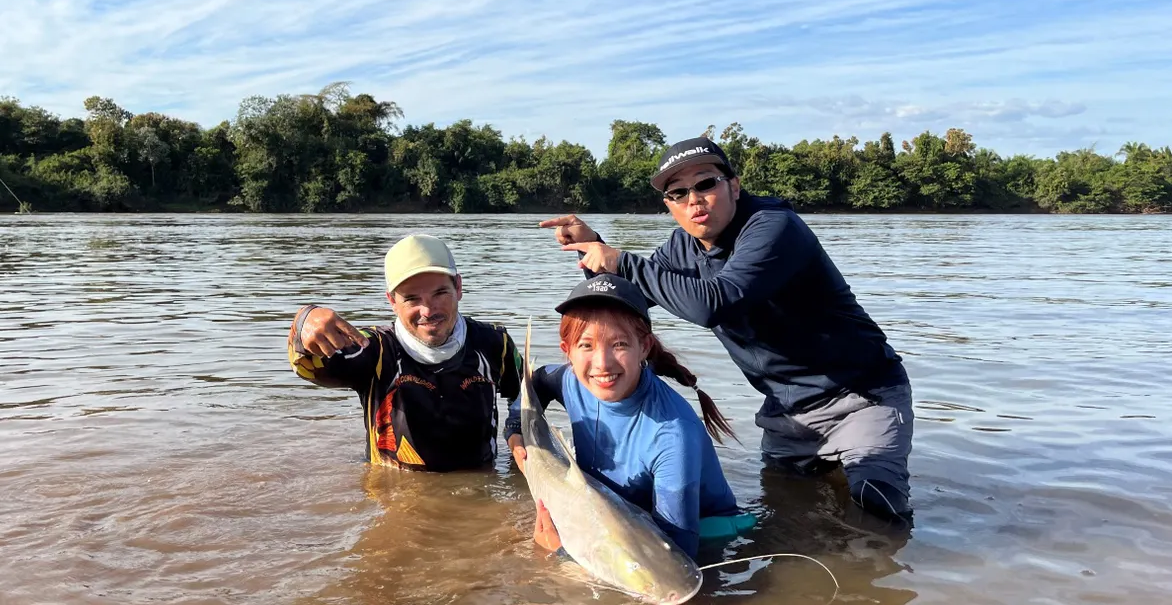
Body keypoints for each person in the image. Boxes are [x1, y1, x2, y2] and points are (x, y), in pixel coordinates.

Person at [540, 137, 915, 523]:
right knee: (787, 516)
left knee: (877, 508)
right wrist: (595, 249)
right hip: (786, 410)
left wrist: (621, 260)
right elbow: (634, 296)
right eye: (678, 193)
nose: (694, 200)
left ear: (734, 185)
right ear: (669, 206)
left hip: (862, 395)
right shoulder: (683, 247)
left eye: (706, 184)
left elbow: (713, 302)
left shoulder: (773, 227)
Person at [505, 273, 757, 559]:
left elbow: (676, 556)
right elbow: (536, 382)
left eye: (620, 344)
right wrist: (515, 432)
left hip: (703, 533)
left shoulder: (673, 435)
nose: (602, 364)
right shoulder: (570, 380)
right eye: (586, 345)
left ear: (644, 347)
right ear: (568, 352)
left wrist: (560, 552)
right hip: (622, 512)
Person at [288, 233, 522, 471]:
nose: (428, 311)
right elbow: (307, 367)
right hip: (396, 496)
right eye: (411, 299)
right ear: (392, 301)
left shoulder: (495, 342)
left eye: (440, 293)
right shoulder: (374, 349)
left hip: (480, 489)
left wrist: (516, 432)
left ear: (459, 287)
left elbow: (525, 395)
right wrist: (304, 321)